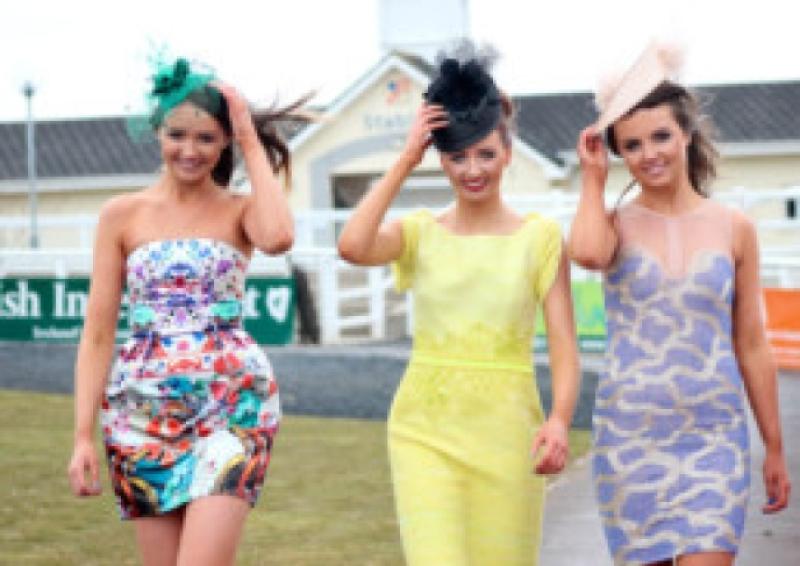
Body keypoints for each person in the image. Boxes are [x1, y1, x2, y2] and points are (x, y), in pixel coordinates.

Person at [337, 47, 580, 565]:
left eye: (486, 154)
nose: (473, 170)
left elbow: (564, 345)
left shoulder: (540, 239)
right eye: (457, 157)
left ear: (508, 152)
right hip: (424, 432)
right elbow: (353, 245)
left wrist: (559, 419)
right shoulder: (420, 233)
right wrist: (405, 159)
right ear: (440, 159)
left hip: (509, 434)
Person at [67, 56, 306, 566]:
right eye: (177, 135)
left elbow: (280, 237)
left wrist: (247, 133)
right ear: (158, 132)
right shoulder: (121, 216)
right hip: (140, 417)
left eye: (207, 138)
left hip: (232, 408)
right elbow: (97, 335)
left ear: (223, 143)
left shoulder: (240, 210)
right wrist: (82, 436)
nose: (190, 150)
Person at [568, 43, 791, 565]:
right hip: (630, 439)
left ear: (687, 134)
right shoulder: (614, 225)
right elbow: (585, 254)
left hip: (712, 438)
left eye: (662, 136)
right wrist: (593, 178)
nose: (651, 154)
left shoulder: (734, 228)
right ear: (618, 153)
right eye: (632, 145)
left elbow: (752, 343)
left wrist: (774, 446)